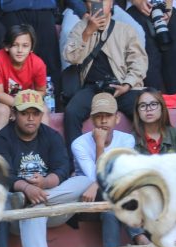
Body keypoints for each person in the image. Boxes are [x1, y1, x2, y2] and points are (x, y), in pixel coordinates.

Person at [0, 90, 91, 247]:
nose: (31, 118)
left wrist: (43, 184)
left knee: (84, 180)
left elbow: (63, 168)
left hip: (52, 204)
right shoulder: (2, 139)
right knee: (32, 210)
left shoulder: (51, 136)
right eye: (25, 113)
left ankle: (32, 199)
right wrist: (25, 187)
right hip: (14, 214)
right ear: (14, 114)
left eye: (35, 113)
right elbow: (1, 175)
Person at [72, 93, 166, 247]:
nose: (103, 120)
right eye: (98, 116)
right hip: (89, 200)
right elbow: (97, 177)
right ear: (91, 120)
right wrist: (99, 144)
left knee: (112, 209)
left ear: (117, 118)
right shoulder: (79, 143)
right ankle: (141, 246)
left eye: (108, 115)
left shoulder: (126, 140)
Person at [62, 0, 147, 154]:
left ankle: (146, 156)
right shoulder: (80, 28)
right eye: (93, 2)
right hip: (92, 88)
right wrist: (88, 31)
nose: (98, 5)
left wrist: (127, 85)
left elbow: (139, 62)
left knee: (146, 105)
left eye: (103, 1)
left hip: (121, 87)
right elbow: (71, 57)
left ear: (111, 3)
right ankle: (74, 164)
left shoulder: (125, 30)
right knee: (71, 112)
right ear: (86, 5)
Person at [0, 24, 49, 135]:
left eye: (25, 46)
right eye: (15, 45)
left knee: (43, 109)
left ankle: (45, 149)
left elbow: (41, 91)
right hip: (1, 102)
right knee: (2, 110)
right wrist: (18, 106)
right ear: (7, 46)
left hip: (25, 102)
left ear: (31, 48)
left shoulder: (38, 63)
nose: (20, 50)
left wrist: (24, 106)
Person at [125, 0, 176, 95]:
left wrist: (168, 8)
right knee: (149, 56)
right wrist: (137, 2)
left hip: (168, 6)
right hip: (135, 7)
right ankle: (152, 100)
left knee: (173, 55)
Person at [132, 88, 176, 154]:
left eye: (153, 104)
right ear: (137, 111)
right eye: (143, 106)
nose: (148, 109)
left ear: (162, 107)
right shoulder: (130, 139)